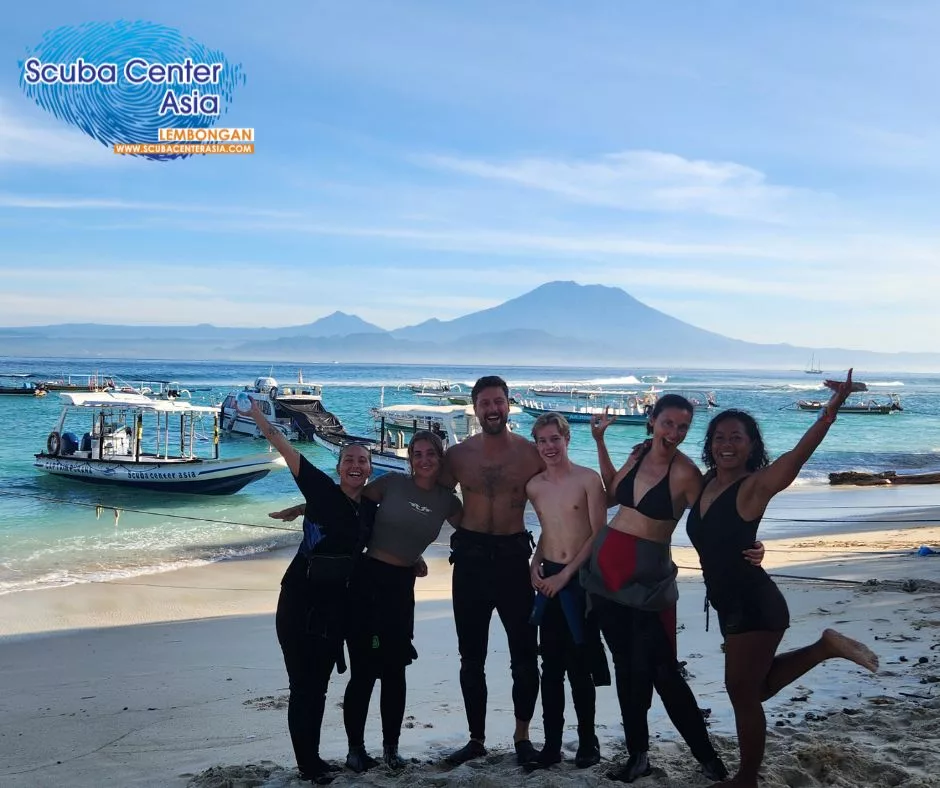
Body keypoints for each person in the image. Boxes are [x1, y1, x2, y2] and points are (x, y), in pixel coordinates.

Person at [687, 370, 879, 788]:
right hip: (729, 602)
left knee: (744, 695)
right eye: (720, 437)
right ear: (710, 445)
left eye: (737, 437)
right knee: (751, 690)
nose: (727, 444)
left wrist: (832, 410)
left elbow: (797, 457)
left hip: (755, 604)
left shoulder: (754, 486)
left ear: (752, 445)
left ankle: (747, 779)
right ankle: (824, 647)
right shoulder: (703, 485)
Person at [582, 394, 763, 783]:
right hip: (605, 574)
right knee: (626, 669)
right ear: (652, 420)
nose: (674, 433)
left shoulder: (686, 474)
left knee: (664, 673)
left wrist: (752, 544)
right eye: (668, 424)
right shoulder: (638, 453)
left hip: (648, 582)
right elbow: (612, 493)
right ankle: (638, 756)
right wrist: (599, 442)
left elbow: (718, 517)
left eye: (683, 427)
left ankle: (707, 758)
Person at [246, 401, 376, 786]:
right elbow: (286, 448)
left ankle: (313, 760)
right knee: (304, 687)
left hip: (335, 608)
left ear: (371, 469)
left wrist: (416, 560)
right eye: (349, 459)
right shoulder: (320, 487)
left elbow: (380, 536)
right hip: (300, 603)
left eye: (363, 460)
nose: (356, 464)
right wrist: (258, 417)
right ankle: (308, 765)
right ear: (338, 468)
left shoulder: (369, 508)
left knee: (318, 688)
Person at [341, 431, 461, 773]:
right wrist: (308, 506)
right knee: (364, 670)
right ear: (410, 460)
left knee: (395, 670)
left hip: (401, 588)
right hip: (367, 581)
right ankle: (355, 750)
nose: (424, 460)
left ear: (440, 460)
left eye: (431, 455)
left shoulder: (448, 502)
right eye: (418, 454)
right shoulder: (390, 483)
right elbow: (346, 501)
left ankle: (391, 749)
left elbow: (475, 529)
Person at [441, 375, 544, 766]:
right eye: (485, 403)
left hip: (513, 558)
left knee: (523, 655)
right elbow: (431, 493)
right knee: (471, 657)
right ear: (475, 408)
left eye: (498, 401)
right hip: (469, 560)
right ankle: (476, 739)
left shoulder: (531, 453)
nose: (492, 409)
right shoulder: (459, 455)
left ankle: (522, 737)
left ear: (508, 404)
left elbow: (563, 491)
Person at [523, 412, 609, 771]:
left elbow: (597, 533)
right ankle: (553, 744)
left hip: (580, 580)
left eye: (554, 439)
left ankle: (588, 741)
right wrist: (535, 562)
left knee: (580, 665)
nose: (548, 447)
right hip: (549, 579)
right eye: (542, 441)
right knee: (551, 666)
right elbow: (548, 528)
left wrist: (567, 575)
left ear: (567, 439)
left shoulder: (588, 480)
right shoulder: (534, 486)